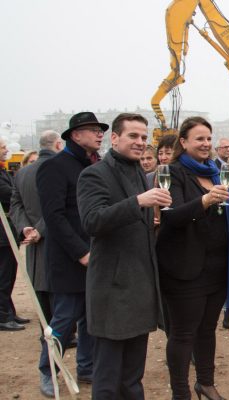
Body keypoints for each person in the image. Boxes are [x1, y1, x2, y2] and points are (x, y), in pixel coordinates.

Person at [76, 113, 170, 399]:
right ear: (114, 138)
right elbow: (92, 220)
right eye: (133, 136)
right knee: (107, 379)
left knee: (132, 378)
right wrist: (138, 202)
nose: (141, 142)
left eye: (144, 137)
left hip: (139, 289)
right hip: (113, 292)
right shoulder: (94, 174)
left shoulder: (139, 173)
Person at [156, 116, 229, 400]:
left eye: (209, 139)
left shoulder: (216, 171)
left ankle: (206, 383)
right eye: (199, 139)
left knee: (207, 330)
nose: (206, 144)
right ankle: (180, 392)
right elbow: (172, 216)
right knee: (183, 334)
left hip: (216, 267)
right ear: (184, 142)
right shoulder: (172, 172)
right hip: (184, 269)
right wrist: (205, 200)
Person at [36, 111, 104, 396]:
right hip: (69, 258)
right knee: (64, 318)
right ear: (75, 135)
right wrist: (80, 252)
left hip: (96, 254)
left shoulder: (94, 165)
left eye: (101, 130)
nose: (100, 134)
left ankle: (86, 368)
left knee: (90, 317)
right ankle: (48, 370)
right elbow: (54, 216)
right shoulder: (55, 167)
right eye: (93, 130)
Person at [9, 130, 63, 331]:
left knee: (40, 290)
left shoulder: (23, 172)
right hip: (58, 241)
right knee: (61, 295)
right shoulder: (61, 169)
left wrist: (25, 228)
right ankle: (60, 335)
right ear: (58, 145)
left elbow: (16, 205)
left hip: (34, 243)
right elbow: (59, 206)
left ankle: (46, 331)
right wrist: (39, 229)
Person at [0, 138, 24, 332]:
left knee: (9, 274)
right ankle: (3, 316)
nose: (6, 149)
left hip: (8, 232)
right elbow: (8, 193)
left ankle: (9, 311)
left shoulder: (3, 170)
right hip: (2, 234)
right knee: (3, 275)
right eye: (2, 147)